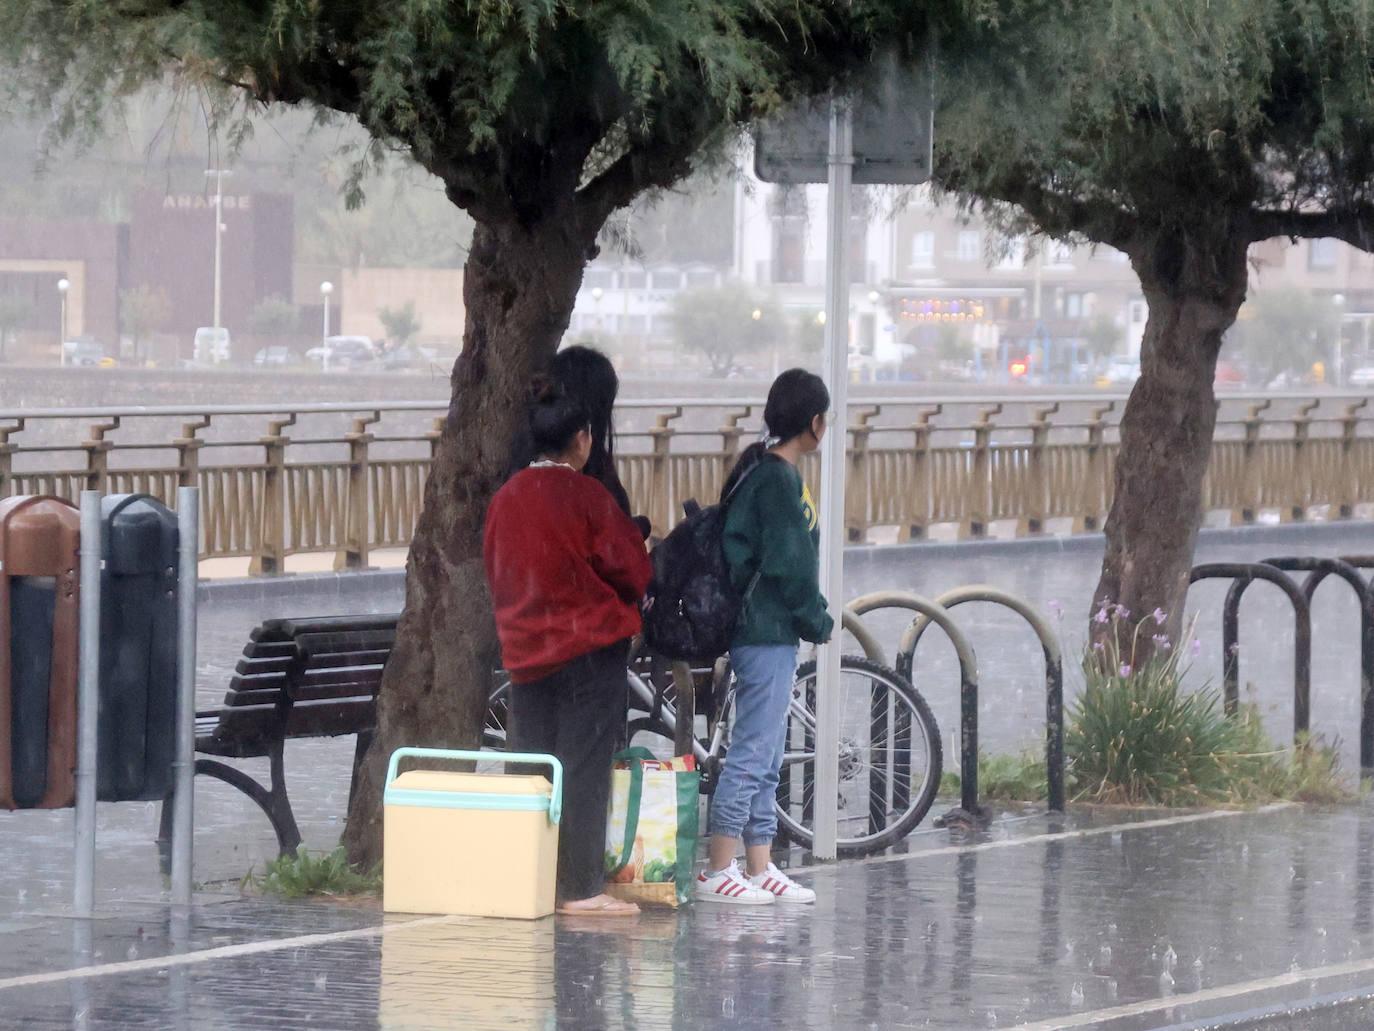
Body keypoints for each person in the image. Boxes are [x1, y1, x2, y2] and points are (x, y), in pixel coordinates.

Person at [484, 385, 652, 918]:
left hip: (525, 654)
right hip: (586, 649)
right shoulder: (587, 497)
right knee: (582, 768)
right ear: (582, 440)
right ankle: (580, 889)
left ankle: (526, 877)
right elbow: (632, 569)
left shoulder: (507, 497)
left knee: (531, 767)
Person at [695, 368, 834, 906]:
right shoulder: (776, 478)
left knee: (769, 747)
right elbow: (790, 561)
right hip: (765, 629)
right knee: (753, 749)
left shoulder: (765, 470)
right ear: (815, 423)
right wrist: (817, 618)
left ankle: (759, 863)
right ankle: (718, 868)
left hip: (766, 629)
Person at [508, 345, 649, 537]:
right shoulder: (591, 492)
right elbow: (614, 547)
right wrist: (641, 527)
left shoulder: (511, 489)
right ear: (582, 438)